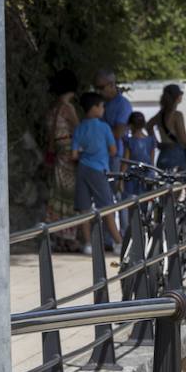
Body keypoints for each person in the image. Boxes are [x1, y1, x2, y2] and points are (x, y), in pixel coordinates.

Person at [71, 91, 124, 253]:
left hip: (82, 169)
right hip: (99, 169)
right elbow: (113, 150)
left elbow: (74, 155)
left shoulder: (79, 128)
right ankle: (118, 242)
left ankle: (87, 244)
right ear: (94, 108)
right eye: (101, 106)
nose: (103, 109)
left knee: (84, 208)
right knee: (106, 206)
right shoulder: (104, 127)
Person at [43, 69, 80, 242]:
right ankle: (68, 235)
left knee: (57, 194)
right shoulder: (68, 108)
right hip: (69, 154)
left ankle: (55, 231)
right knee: (70, 196)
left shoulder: (52, 108)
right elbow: (79, 131)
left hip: (57, 154)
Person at [93, 69, 133, 174]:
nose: (97, 91)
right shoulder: (99, 102)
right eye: (95, 88)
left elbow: (118, 133)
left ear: (112, 85)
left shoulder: (123, 105)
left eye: (101, 88)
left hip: (115, 156)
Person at [122, 110, 158, 199]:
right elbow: (151, 162)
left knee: (131, 204)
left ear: (130, 125)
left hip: (132, 177)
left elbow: (125, 162)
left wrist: (121, 180)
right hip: (147, 176)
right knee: (145, 203)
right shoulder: (151, 140)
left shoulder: (129, 141)